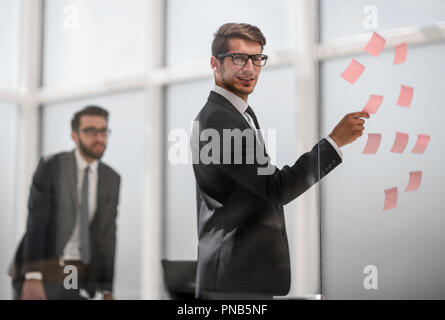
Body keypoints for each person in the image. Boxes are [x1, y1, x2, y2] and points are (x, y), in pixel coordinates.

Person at [191, 23, 370, 299]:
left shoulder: (239, 113)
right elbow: (276, 188)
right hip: (232, 282)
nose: (249, 68)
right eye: (239, 58)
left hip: (241, 275)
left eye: (256, 58)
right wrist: (334, 142)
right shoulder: (219, 119)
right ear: (215, 63)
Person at [8, 106, 121, 300]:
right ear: (74, 136)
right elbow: (37, 222)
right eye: (90, 131)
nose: (99, 137)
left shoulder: (111, 178)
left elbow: (106, 236)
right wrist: (33, 277)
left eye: (103, 131)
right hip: (41, 269)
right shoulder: (51, 167)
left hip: (76, 272)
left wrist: (105, 288)